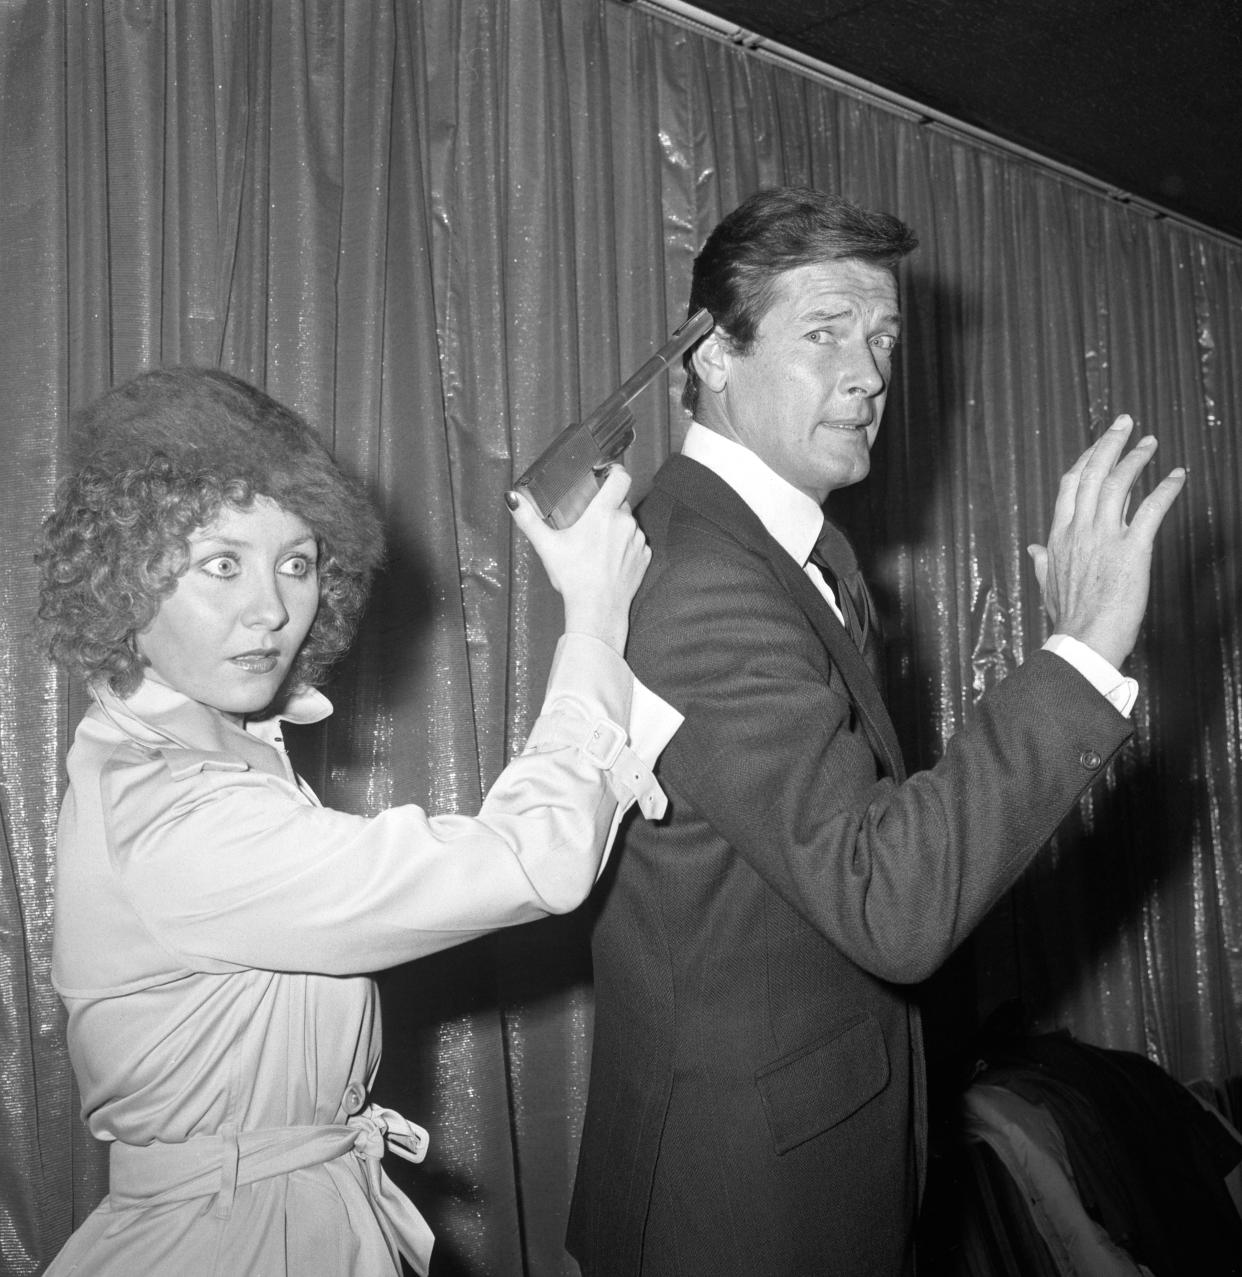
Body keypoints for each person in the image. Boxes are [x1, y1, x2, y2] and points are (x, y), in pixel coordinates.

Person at [567, 187, 1187, 1276]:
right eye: (825, 332)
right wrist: (1082, 651)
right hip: (742, 1204)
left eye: (883, 336)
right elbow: (886, 899)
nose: (869, 371)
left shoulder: (779, 553)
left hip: (808, 1163)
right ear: (712, 353)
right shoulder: (703, 577)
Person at [36, 366, 679, 1276]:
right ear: (124, 572)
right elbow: (536, 864)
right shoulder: (173, 809)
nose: (270, 608)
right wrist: (596, 617)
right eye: (222, 563)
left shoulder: (197, 752)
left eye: (295, 563)